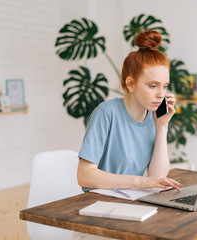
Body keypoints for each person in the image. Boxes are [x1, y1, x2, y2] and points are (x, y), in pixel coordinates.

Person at [77, 30, 183, 193]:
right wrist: (138, 181)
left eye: (165, 86)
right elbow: (85, 175)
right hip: (99, 202)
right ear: (130, 84)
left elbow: (158, 176)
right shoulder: (106, 113)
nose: (161, 94)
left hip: (133, 199)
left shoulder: (152, 117)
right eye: (153, 86)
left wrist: (162, 126)